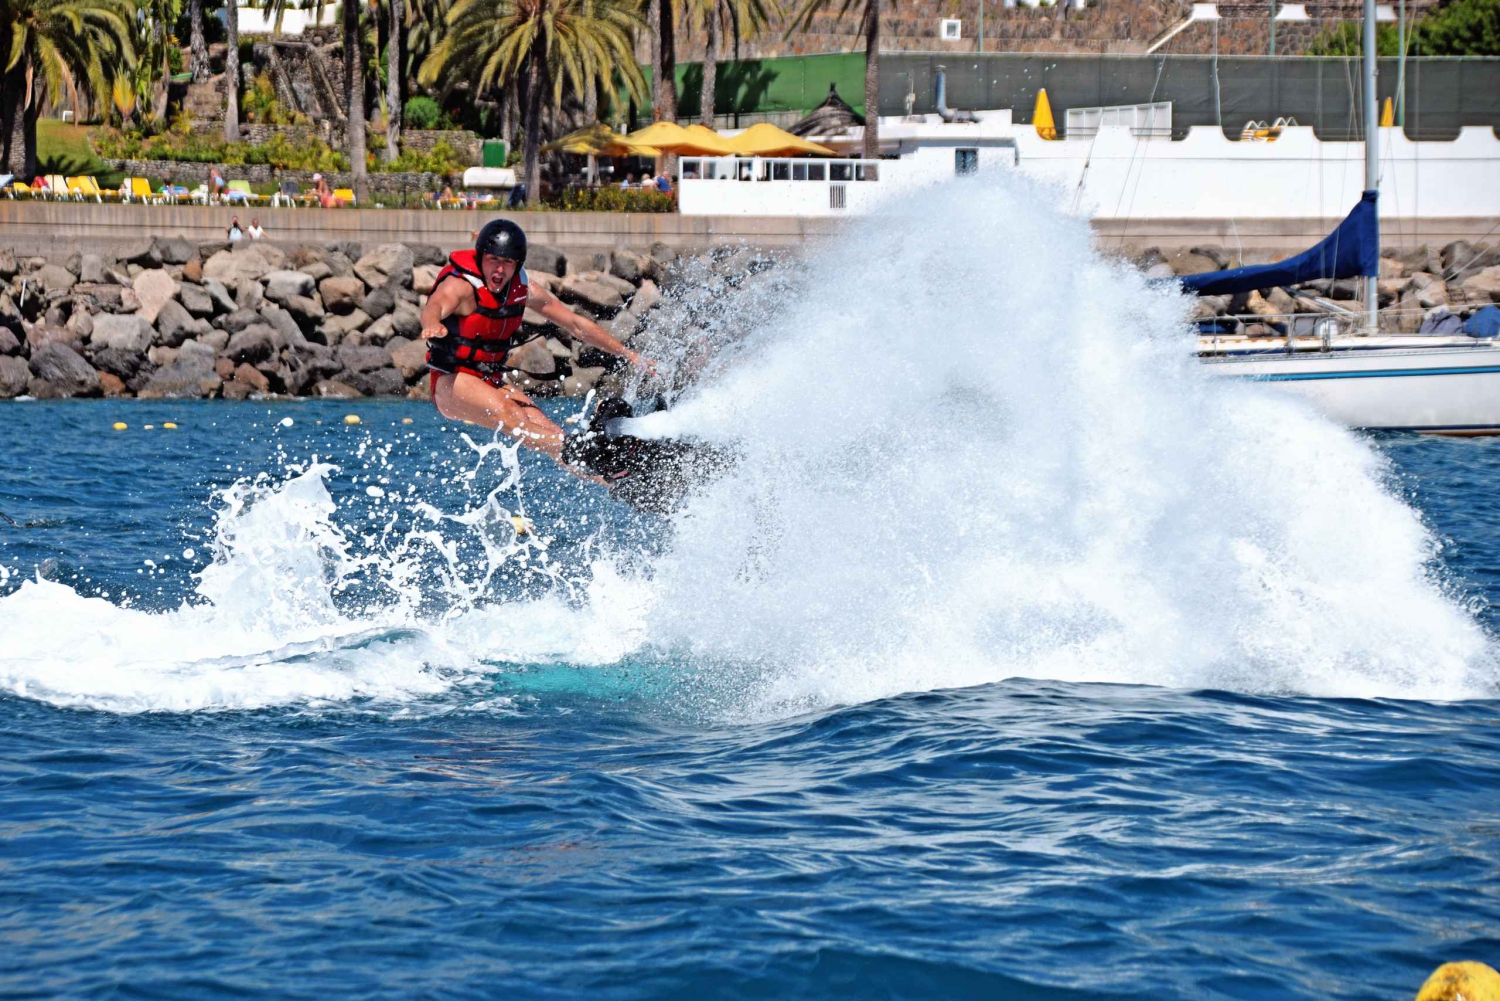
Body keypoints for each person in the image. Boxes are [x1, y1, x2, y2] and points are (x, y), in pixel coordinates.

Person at [421, 219, 651, 467]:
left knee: (548, 431)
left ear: (517, 264)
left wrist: (629, 355)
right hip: (451, 383)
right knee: (511, 416)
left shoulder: (523, 289)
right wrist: (431, 323)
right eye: (493, 260)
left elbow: (575, 324)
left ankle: (616, 479)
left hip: (490, 381)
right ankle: (585, 447)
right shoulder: (463, 287)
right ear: (480, 257)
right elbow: (435, 305)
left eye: (507, 263)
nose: (499, 270)